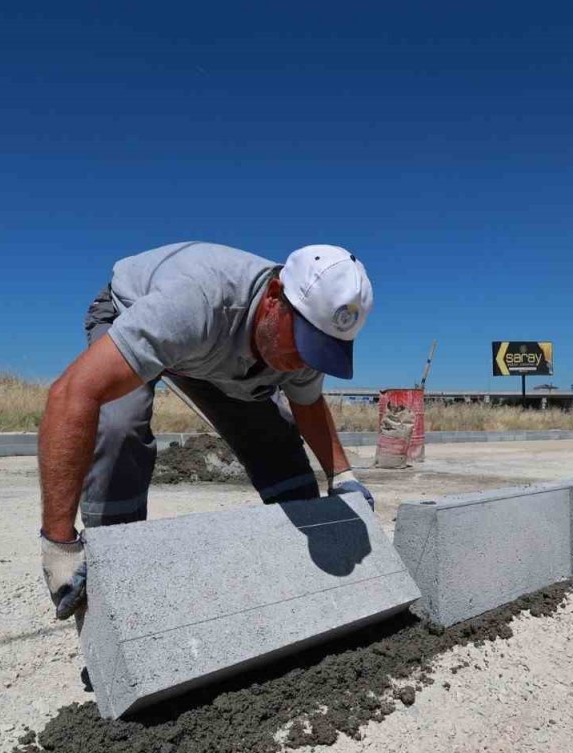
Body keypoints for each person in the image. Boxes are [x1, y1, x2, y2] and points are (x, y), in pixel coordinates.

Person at [37, 242, 376, 622]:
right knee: (119, 426)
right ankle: (115, 577)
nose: (302, 362)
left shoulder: (301, 338)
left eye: (317, 351)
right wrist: (57, 541)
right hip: (133, 311)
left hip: (215, 352)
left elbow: (308, 403)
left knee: (276, 439)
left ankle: (307, 583)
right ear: (274, 296)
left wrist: (342, 476)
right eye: (302, 343)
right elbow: (72, 394)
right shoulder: (194, 304)